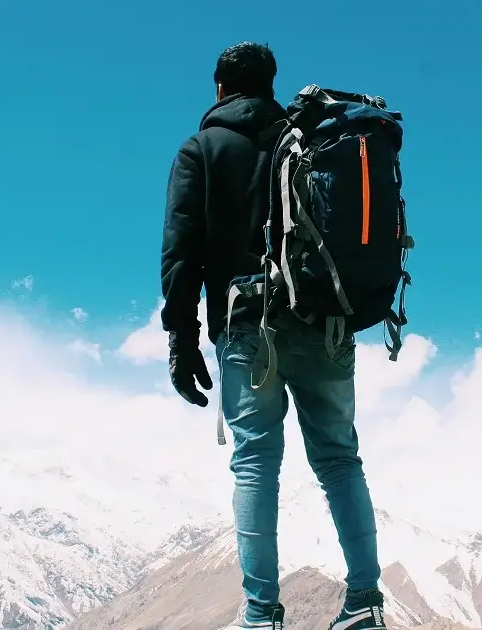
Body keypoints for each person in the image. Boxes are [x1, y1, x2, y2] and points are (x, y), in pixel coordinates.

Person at [159, 41, 388, 630]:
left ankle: (262, 616)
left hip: (246, 324)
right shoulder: (312, 139)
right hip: (325, 317)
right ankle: (364, 603)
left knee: (256, 462)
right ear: (270, 85)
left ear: (218, 88)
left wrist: (181, 339)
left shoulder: (203, 149)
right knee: (340, 458)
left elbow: (182, 251)